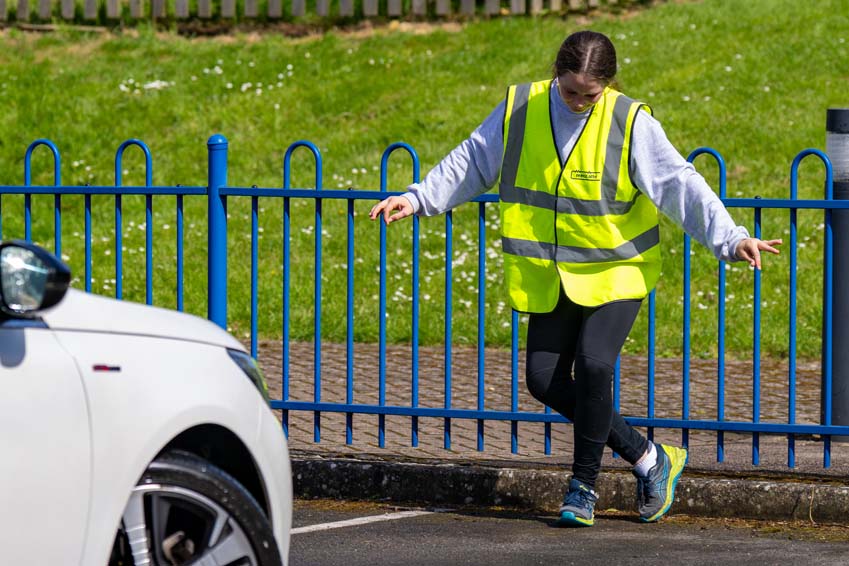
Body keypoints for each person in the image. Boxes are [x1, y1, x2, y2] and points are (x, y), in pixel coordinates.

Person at [369, 30, 781, 527]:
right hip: (553, 273)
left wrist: (731, 238)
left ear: (608, 85)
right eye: (571, 92)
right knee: (542, 381)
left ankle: (582, 488)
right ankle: (652, 459)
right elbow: (474, 159)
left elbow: (679, 184)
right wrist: (416, 199)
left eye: (592, 94)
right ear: (555, 75)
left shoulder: (630, 120)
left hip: (618, 270)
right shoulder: (520, 108)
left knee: (593, 367)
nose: (581, 103)